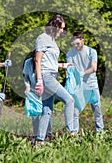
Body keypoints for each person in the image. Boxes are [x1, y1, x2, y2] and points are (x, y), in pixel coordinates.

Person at [34, 14, 75, 144]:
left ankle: (40, 140)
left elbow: (49, 62)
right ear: (55, 26)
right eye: (61, 28)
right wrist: (39, 81)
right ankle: (71, 134)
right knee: (69, 100)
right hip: (46, 76)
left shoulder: (52, 40)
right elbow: (38, 60)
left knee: (47, 109)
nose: (62, 31)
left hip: (51, 74)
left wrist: (63, 65)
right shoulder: (43, 38)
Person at [66, 31, 104, 134]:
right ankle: (74, 135)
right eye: (73, 44)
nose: (75, 46)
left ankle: (100, 132)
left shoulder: (91, 52)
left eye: (77, 44)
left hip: (91, 84)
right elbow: (69, 71)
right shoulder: (70, 54)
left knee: (97, 109)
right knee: (75, 111)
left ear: (82, 40)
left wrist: (82, 73)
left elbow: (94, 68)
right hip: (78, 86)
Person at [22, 50, 52, 143]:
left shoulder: (45, 62)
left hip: (45, 89)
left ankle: (48, 134)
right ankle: (36, 135)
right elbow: (26, 77)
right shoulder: (28, 63)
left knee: (46, 112)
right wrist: (27, 86)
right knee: (34, 113)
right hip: (33, 90)